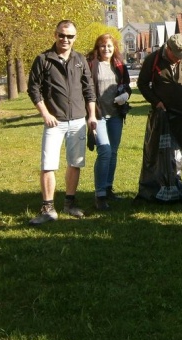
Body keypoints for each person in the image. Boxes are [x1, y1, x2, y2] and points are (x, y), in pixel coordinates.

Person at [27, 20, 97, 225]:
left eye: (70, 36)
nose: (65, 39)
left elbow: (89, 89)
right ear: (55, 34)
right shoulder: (43, 59)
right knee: (48, 165)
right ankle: (48, 208)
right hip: (54, 122)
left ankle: (69, 203)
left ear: (75, 37)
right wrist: (45, 114)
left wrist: (91, 115)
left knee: (75, 164)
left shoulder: (80, 59)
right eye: (62, 35)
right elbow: (33, 89)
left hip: (77, 120)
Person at [138, 33, 182, 188]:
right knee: (163, 151)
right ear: (168, 49)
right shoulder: (153, 59)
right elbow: (142, 84)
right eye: (176, 55)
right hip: (164, 115)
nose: (180, 58)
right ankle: (166, 186)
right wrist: (156, 102)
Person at [87, 33, 132, 210]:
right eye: (103, 46)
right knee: (104, 151)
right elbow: (86, 88)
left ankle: (108, 188)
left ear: (114, 48)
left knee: (113, 152)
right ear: (97, 48)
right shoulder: (91, 64)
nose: (106, 49)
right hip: (98, 115)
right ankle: (99, 195)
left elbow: (127, 85)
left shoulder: (119, 65)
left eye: (110, 46)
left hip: (115, 115)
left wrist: (126, 94)